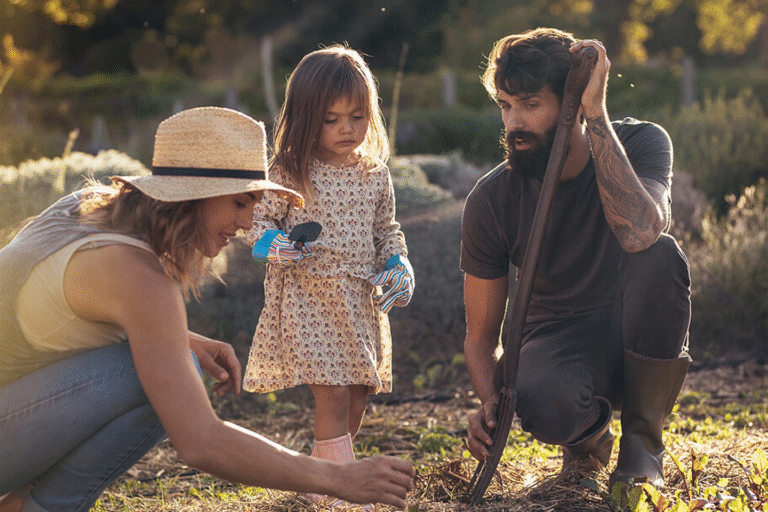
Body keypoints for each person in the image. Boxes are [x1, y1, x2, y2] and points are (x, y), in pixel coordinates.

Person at [0, 106, 414, 512]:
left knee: (165, 362)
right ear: (192, 198)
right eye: (239, 203)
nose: (248, 221)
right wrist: (338, 478)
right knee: (150, 376)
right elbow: (202, 442)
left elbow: (55, 310)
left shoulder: (88, 209)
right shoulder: (139, 279)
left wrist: (182, 338)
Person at [462, 28, 691, 489]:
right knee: (542, 400)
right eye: (506, 105)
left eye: (530, 105)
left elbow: (641, 231)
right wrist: (490, 401)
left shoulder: (644, 143)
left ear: (572, 102)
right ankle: (588, 443)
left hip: (636, 327)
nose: (513, 123)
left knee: (660, 254)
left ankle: (642, 447)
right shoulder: (492, 198)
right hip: (557, 338)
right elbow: (481, 333)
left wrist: (595, 115)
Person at [243, 44, 414, 509]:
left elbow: (386, 231)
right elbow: (260, 222)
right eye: (331, 119)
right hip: (310, 295)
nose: (346, 129)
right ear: (306, 117)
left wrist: (398, 263)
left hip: (359, 298)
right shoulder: (290, 171)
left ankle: (324, 478)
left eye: (356, 117)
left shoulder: (374, 174)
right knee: (333, 394)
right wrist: (269, 245)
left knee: (355, 396)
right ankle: (335, 496)